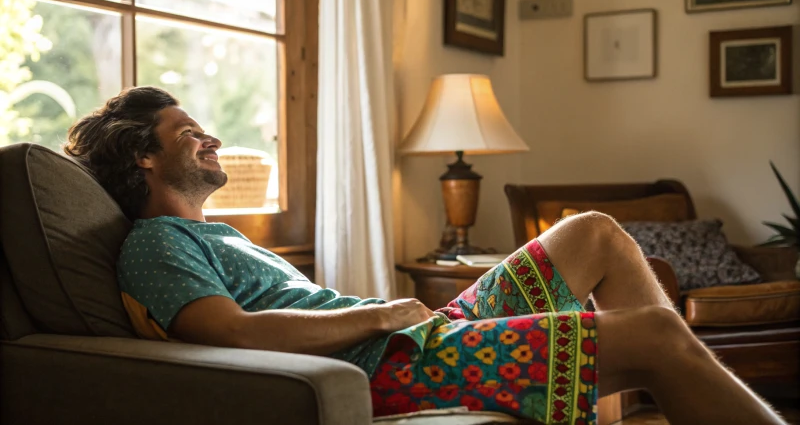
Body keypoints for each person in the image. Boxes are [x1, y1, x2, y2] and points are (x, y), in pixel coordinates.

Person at [64, 86, 785, 425]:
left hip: (414, 339)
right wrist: (379, 316)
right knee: (653, 332)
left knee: (593, 231)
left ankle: (666, 382)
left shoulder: (220, 236)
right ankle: (666, 370)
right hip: (388, 366)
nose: (212, 137)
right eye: (188, 132)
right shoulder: (156, 242)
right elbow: (232, 333)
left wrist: (390, 318)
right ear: (143, 157)